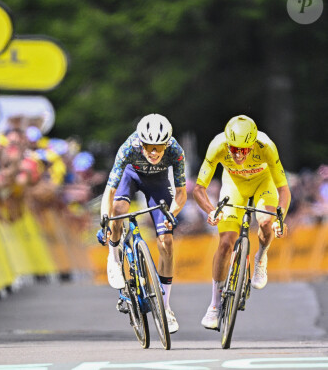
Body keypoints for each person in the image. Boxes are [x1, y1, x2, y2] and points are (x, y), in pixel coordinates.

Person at [193, 115, 291, 330]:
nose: (238, 154)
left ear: (253, 144)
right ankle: (215, 305)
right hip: (233, 187)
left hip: (263, 184)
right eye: (234, 149)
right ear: (227, 143)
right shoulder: (217, 145)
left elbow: (283, 188)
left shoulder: (266, 146)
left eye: (244, 150)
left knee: (266, 221)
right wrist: (211, 211)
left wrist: (280, 218)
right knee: (226, 243)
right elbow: (199, 188)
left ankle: (261, 257)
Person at [98, 113, 187, 334]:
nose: (154, 152)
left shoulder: (176, 151)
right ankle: (115, 257)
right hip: (131, 177)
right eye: (149, 146)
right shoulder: (129, 146)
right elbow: (109, 191)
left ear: (167, 144)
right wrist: (104, 219)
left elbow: (181, 193)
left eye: (159, 147)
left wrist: (171, 213)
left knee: (166, 242)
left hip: (158, 183)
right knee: (118, 210)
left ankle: (165, 308)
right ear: (141, 142)